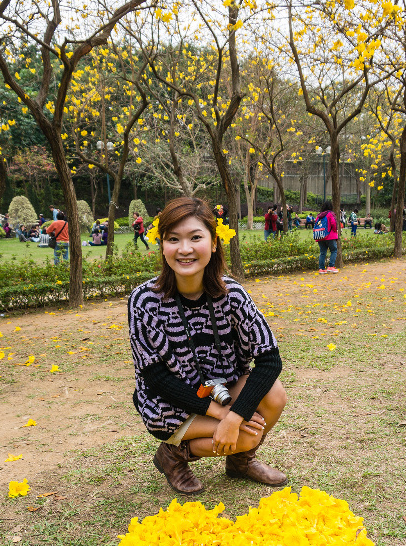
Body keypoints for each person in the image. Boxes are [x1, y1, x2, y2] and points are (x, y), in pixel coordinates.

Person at [128, 197, 287, 495]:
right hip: (170, 402)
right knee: (248, 436)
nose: (184, 249)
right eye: (173, 239)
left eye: (195, 238)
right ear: (162, 245)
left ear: (213, 243)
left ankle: (240, 463)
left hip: (221, 388)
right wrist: (223, 417)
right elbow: (155, 377)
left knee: (275, 395)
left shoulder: (233, 294)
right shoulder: (144, 301)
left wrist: (235, 414)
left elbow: (270, 359)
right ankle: (172, 456)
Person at [314, 200, 339, 274]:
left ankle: (321, 269)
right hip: (330, 236)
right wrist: (335, 230)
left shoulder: (319, 215)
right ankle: (331, 266)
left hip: (320, 235)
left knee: (322, 252)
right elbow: (333, 223)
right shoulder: (330, 214)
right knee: (334, 250)